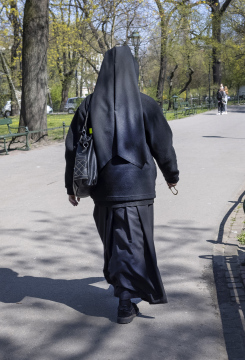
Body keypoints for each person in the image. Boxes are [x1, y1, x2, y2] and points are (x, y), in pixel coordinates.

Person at [65, 45, 179, 324]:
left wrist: (72, 186)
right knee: (134, 241)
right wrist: (171, 174)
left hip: (103, 187)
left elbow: (73, 148)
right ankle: (126, 301)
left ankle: (122, 287)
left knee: (114, 240)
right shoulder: (146, 103)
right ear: (134, 71)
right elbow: (163, 145)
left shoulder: (89, 105)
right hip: (138, 186)